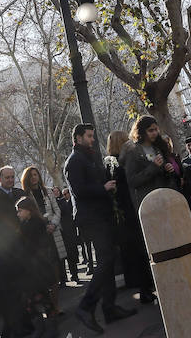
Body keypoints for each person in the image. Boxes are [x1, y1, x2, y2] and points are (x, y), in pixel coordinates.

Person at [64, 123, 136, 333]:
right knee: (105, 260)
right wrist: (102, 188)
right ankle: (86, 306)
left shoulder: (88, 157)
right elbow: (78, 191)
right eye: (88, 136)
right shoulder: (74, 161)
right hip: (91, 218)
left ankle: (109, 307)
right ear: (77, 138)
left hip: (101, 216)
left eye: (92, 136)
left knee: (109, 258)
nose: (92, 139)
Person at [107, 130, 155, 304]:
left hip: (123, 216)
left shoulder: (109, 165)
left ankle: (145, 288)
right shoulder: (123, 164)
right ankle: (146, 288)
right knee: (141, 252)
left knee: (136, 254)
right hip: (132, 212)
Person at [0, 166, 29, 338]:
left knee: (23, 289)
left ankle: (26, 323)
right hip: (5, 253)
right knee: (10, 294)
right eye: (7, 177)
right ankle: (13, 327)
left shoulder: (20, 193)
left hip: (23, 249)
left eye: (12, 177)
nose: (10, 180)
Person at [21, 167, 66, 314]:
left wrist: (53, 224)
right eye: (31, 176)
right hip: (37, 240)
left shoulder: (47, 191)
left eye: (36, 175)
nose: (34, 178)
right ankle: (48, 307)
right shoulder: (25, 195)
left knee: (55, 273)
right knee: (43, 276)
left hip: (53, 235)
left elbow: (57, 209)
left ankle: (56, 306)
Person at [15, 196, 60, 336]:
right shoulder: (24, 224)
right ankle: (40, 326)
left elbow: (36, 245)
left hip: (38, 267)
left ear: (29, 210)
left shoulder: (36, 224)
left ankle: (51, 328)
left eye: (20, 211)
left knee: (44, 299)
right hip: (30, 268)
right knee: (31, 300)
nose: (18, 214)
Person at [122, 116, 181, 211]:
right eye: (150, 130)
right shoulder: (133, 152)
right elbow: (132, 181)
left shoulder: (158, 148)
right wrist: (153, 167)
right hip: (148, 203)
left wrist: (167, 169)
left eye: (156, 130)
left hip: (165, 199)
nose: (154, 133)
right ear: (141, 131)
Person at [53, 186, 79, 284]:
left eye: (57, 191)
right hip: (59, 232)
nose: (55, 193)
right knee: (61, 257)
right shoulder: (52, 203)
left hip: (68, 231)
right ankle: (63, 278)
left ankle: (74, 275)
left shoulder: (64, 202)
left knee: (71, 255)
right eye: (53, 192)